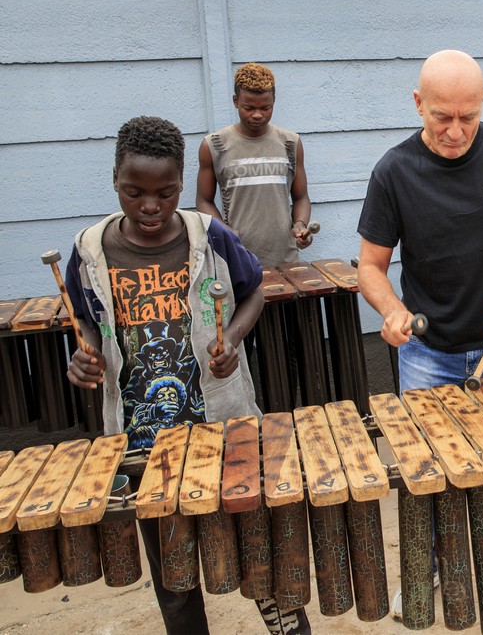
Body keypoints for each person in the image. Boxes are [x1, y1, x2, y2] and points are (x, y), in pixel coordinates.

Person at [65, 116, 310, 635]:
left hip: (223, 432)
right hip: (142, 446)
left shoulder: (210, 236)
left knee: (258, 553)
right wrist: (85, 351)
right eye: (135, 193)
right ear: (115, 181)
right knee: (175, 583)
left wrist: (235, 341)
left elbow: (254, 292)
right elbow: (86, 314)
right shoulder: (90, 248)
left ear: (182, 183)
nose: (151, 206)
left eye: (166, 192)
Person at [356, 49, 483, 619]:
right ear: (418, 104)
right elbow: (370, 267)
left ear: (482, 105)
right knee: (431, 478)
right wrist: (393, 312)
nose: (454, 131)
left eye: (467, 117)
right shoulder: (393, 171)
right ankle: (433, 569)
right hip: (427, 354)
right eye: (441, 116)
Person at [196, 62, 313, 267]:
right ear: (235, 101)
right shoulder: (214, 145)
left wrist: (301, 226)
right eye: (249, 108)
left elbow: (301, 196)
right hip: (239, 259)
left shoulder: (290, 143)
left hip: (286, 260)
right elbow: (204, 200)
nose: (258, 114)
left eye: (265, 107)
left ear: (274, 101)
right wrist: (224, 230)